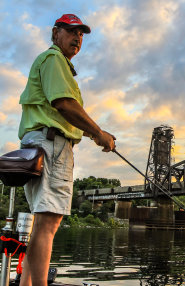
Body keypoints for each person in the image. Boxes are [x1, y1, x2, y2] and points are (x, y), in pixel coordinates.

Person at [17, 14, 116, 286]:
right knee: (48, 224)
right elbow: (64, 104)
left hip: (42, 144)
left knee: (42, 225)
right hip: (51, 147)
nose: (77, 38)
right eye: (71, 31)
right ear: (55, 33)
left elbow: (60, 112)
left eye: (81, 34)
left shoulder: (55, 64)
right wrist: (98, 132)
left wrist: (93, 135)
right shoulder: (54, 60)